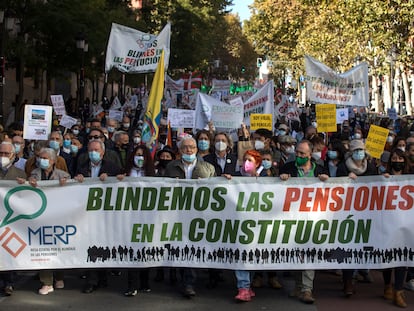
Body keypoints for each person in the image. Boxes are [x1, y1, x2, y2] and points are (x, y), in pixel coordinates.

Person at [164, 135, 215, 297]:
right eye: (185, 147)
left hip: (198, 214)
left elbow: (215, 190)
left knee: (192, 246)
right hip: (176, 214)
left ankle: (189, 282)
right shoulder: (171, 167)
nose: (189, 150)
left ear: (196, 149)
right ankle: (179, 277)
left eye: (192, 147)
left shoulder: (208, 168)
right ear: (180, 150)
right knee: (178, 245)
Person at [279, 140, 329, 304]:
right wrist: (282, 179)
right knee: (295, 253)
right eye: (297, 153)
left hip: (313, 219)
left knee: (309, 253)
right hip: (292, 219)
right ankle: (299, 286)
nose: (299, 156)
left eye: (302, 154)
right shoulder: (288, 168)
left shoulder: (319, 170)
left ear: (310, 154)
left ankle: (307, 289)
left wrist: (326, 180)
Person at [75, 140, 122, 294]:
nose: (92, 153)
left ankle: (103, 277)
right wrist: (78, 179)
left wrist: (111, 178)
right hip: (88, 214)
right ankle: (92, 280)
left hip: (107, 214)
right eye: (90, 150)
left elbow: (122, 181)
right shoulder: (82, 167)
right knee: (91, 245)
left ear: (102, 152)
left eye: (96, 150)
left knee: (104, 244)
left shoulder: (112, 167)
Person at [336, 139, 377, 297]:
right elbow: (337, 186)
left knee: (363, 244)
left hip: (366, 210)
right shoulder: (343, 167)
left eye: (361, 150)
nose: (360, 153)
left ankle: (363, 271)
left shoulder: (371, 166)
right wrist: (347, 178)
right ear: (351, 152)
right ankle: (348, 281)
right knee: (349, 246)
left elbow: (376, 184)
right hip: (348, 211)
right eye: (357, 150)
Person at [28, 147, 71, 295]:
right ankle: (46, 282)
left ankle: (59, 277)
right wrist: (28, 183)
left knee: (58, 247)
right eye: (40, 157)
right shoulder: (34, 174)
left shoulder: (63, 175)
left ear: (53, 161)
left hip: (58, 217)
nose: (42, 160)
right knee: (42, 248)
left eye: (45, 158)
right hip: (40, 217)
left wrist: (67, 184)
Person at [120, 145, 154, 296]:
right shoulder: (125, 173)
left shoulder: (154, 175)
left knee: (145, 249)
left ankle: (144, 282)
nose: (139, 158)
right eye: (137, 154)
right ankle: (131, 285)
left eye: (142, 155)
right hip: (129, 217)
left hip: (147, 217)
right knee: (132, 250)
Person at [233, 149, 264, 302]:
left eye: (250, 160)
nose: (246, 163)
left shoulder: (265, 177)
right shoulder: (236, 177)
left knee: (252, 256)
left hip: (258, 224)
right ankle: (243, 287)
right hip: (240, 224)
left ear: (257, 163)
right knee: (241, 254)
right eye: (245, 159)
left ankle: (248, 285)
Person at [381, 148, 409, 308]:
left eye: (400, 158)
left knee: (402, 257)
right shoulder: (383, 177)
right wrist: (382, 180)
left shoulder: (410, 177)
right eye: (394, 158)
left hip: (405, 223)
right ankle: (387, 286)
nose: (397, 161)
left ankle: (398, 291)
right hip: (388, 222)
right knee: (388, 256)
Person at [0, 142, 26, 296]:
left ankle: (9, 282)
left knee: (9, 250)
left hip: (12, 220)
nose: (3, 157)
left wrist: (25, 185)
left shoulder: (20, 174)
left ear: (13, 156)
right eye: (1, 153)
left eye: (6, 154)